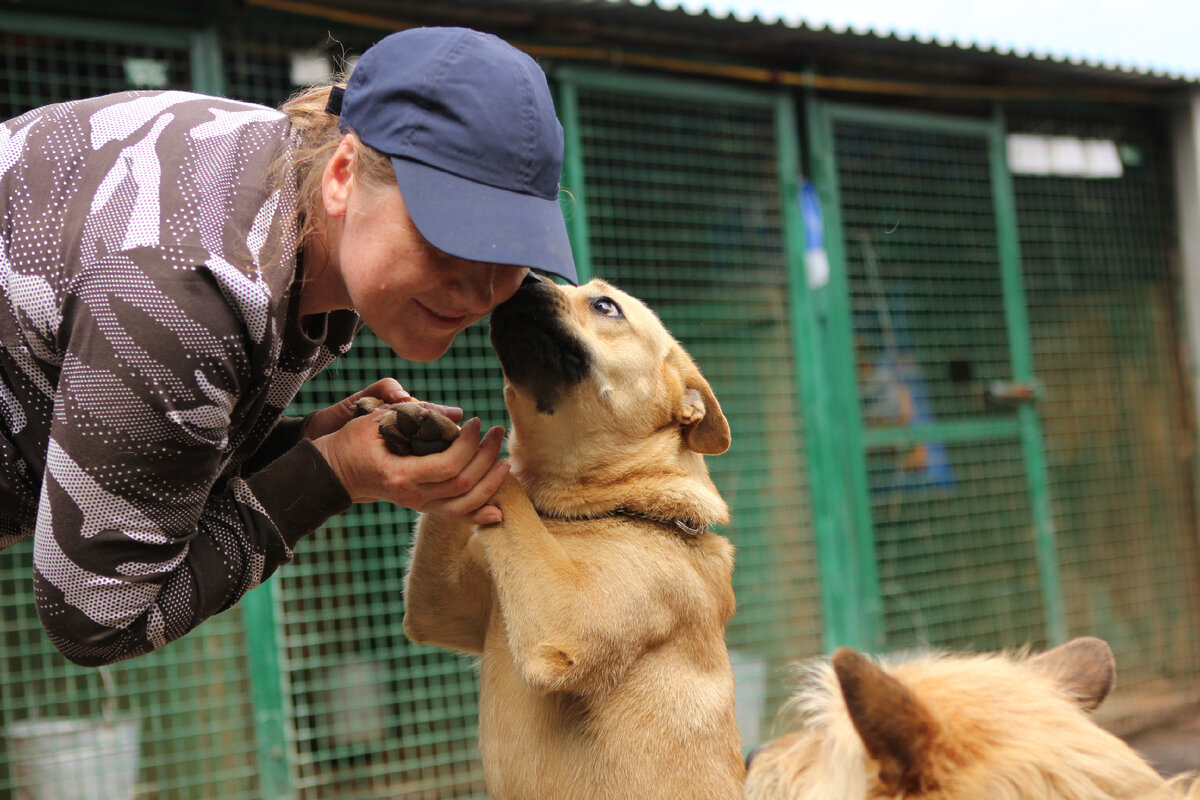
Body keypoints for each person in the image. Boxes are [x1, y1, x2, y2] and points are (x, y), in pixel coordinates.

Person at [0, 26, 576, 667]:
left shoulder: (277, 186)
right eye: (450, 237)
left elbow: (137, 456)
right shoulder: (193, 289)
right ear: (342, 175)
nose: (483, 291)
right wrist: (333, 473)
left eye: (514, 251)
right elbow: (96, 620)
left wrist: (302, 441)